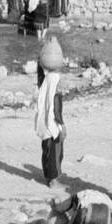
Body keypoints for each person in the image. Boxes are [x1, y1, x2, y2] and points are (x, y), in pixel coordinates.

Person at [35, 40, 66, 188]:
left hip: (43, 123)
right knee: (55, 152)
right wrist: (61, 125)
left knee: (46, 151)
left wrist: (39, 61)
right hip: (51, 123)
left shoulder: (46, 80)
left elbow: (39, 77)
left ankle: (48, 178)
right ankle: (53, 180)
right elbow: (56, 108)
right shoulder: (55, 81)